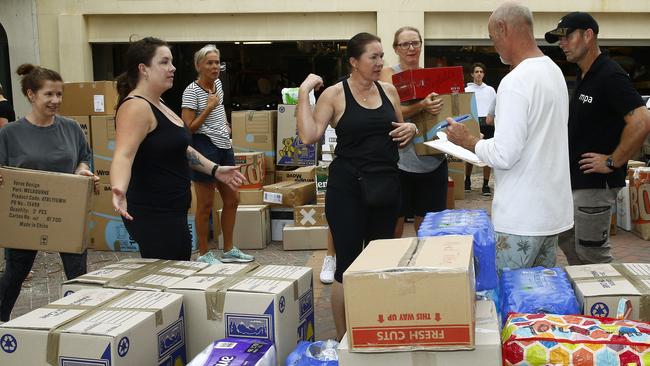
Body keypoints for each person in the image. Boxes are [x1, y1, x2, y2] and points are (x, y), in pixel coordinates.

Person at [297, 32, 417, 340]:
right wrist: (302, 93)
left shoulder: (389, 91)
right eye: (373, 57)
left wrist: (412, 128)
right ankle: (343, 340)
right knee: (347, 267)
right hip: (347, 189)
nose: (380, 62)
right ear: (354, 62)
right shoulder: (335, 95)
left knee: (380, 265)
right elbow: (309, 136)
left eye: (381, 56)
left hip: (386, 187)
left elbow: (399, 131)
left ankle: (374, 331)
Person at [446, 2, 573, 272]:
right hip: (551, 216)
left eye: (493, 38)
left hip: (519, 219)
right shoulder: (553, 71)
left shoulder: (516, 81)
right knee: (536, 307)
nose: (495, 46)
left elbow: (505, 154)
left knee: (510, 304)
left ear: (503, 28)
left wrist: (468, 140)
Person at [110, 37, 246, 261]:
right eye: (164, 62)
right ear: (143, 69)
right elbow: (123, 155)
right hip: (154, 214)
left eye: (171, 62)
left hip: (173, 211)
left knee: (179, 271)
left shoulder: (159, 104)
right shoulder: (136, 106)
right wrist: (119, 188)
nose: (172, 68)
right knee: (165, 280)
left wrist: (215, 170)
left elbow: (181, 148)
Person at [545, 12, 650, 264]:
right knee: (570, 241)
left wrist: (612, 161)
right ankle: (587, 298)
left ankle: (605, 301)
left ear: (588, 35)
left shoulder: (609, 75)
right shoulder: (586, 74)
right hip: (578, 182)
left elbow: (641, 120)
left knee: (593, 255)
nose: (562, 43)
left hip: (595, 186)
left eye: (567, 36)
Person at [0, 63, 98, 321]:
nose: (56, 100)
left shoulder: (71, 128)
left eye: (59, 94)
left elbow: (84, 157)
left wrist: (83, 170)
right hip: (26, 214)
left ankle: (84, 323)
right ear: (31, 95)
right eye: (49, 94)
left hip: (67, 214)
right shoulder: (10, 133)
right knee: (14, 275)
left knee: (78, 276)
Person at [181, 44, 253, 263]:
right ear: (198, 66)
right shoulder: (191, 91)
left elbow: (218, 109)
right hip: (204, 146)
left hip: (223, 146)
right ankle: (203, 253)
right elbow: (187, 128)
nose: (215, 67)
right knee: (205, 204)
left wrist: (224, 124)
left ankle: (229, 249)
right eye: (209, 63)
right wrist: (209, 108)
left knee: (233, 198)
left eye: (217, 63)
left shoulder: (218, 84)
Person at [379, 26, 447, 237]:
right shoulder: (388, 74)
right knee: (394, 225)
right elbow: (391, 110)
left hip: (433, 161)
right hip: (400, 163)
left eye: (415, 43)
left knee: (427, 227)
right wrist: (422, 106)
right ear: (396, 48)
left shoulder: (432, 77)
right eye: (405, 44)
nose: (411, 48)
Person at [464, 62, 496, 196]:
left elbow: (495, 107)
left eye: (481, 72)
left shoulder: (490, 90)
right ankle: (467, 181)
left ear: (484, 74)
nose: (479, 74)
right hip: (473, 122)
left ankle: (485, 184)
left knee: (487, 154)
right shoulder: (466, 90)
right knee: (470, 153)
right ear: (472, 74)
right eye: (476, 71)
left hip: (487, 124)